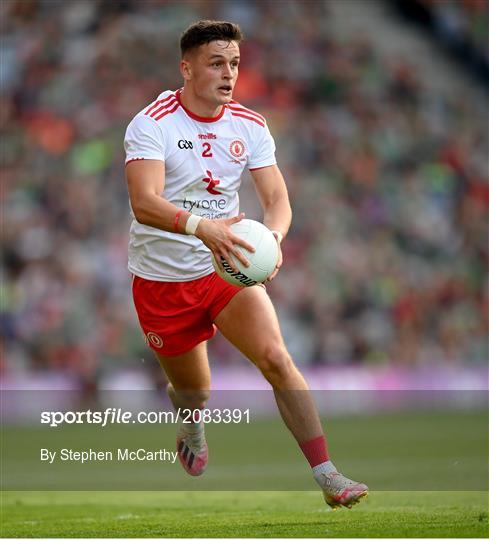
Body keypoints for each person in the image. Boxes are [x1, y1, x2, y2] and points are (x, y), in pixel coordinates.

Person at [124, 19, 368, 509]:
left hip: (225, 269)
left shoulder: (250, 125)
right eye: (216, 63)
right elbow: (144, 203)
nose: (228, 73)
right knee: (194, 392)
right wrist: (204, 228)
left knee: (277, 359)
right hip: (163, 282)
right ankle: (190, 423)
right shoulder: (153, 122)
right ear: (186, 68)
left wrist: (270, 242)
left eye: (234, 63)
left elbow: (277, 199)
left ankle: (328, 476)